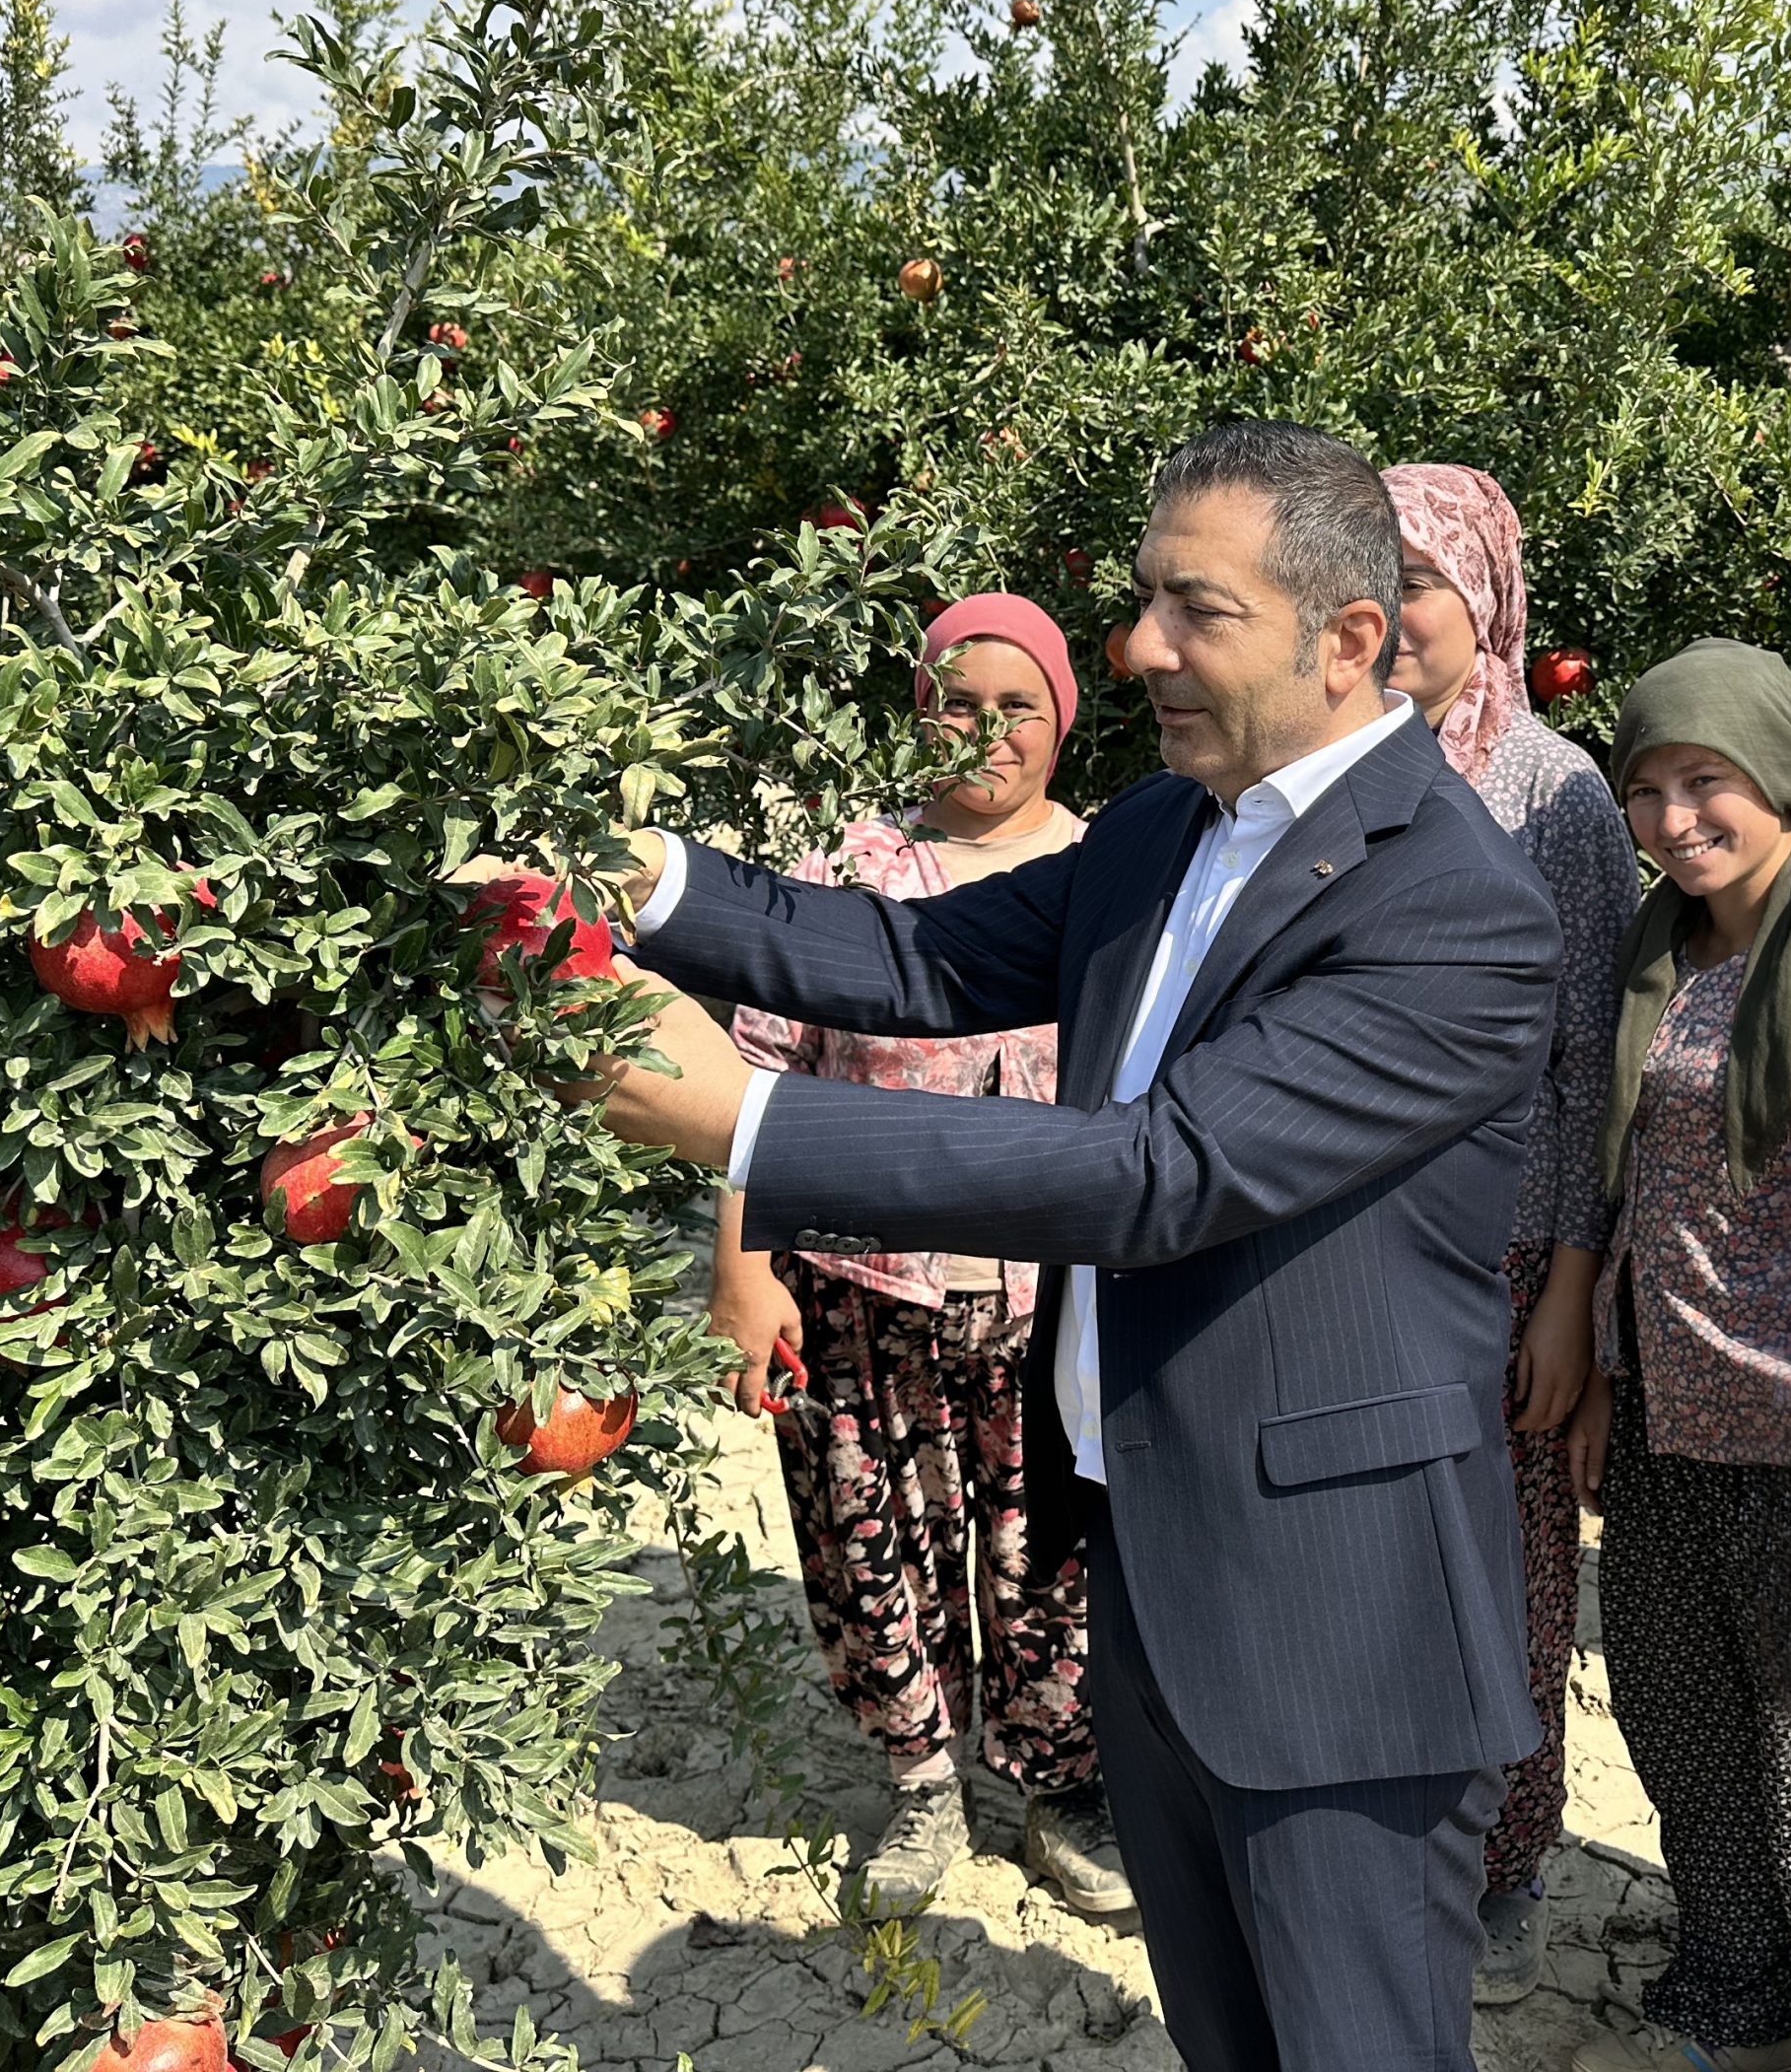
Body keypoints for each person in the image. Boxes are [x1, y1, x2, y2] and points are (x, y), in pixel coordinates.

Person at [572, 418, 1564, 2072]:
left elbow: (1162, 1174)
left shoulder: (1452, 907)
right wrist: (647, 881)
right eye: (1142, 599)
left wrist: (743, 1126)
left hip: (1337, 1624)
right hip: (1152, 1563)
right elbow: (907, 957)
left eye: (1196, 609)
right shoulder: (1165, 829)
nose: (1139, 647)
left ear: (1349, 639)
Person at [711, 594, 1131, 1916]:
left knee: (1051, 1548)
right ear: (919, 714)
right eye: (960, 704)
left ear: (1063, 721)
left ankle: (1063, 1787)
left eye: (1020, 708)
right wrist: (743, 1267)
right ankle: (921, 1783)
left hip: (1057, 1296)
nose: (989, 733)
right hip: (863, 1289)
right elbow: (759, 1079)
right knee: (874, 1536)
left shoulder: (1112, 871)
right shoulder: (853, 871)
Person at [1384, 462, 1641, 2003]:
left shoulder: (1555, 792)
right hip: (1358, 1248)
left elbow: (1592, 1062)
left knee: (1513, 1571)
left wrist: (1566, 1294)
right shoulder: (1328, 767)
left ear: (1481, 601)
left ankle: (1508, 1857)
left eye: (1419, 580)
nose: (1389, 610)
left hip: (1506, 1258)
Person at [1564, 640, 1791, 2072]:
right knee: (1684, 1729)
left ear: (1781, 774)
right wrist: (1605, 1372)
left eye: (1706, 779)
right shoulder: (1656, 953)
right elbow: (1624, 1182)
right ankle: (1736, 1991)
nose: (1673, 819)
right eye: (1646, 789)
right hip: (1666, 1412)